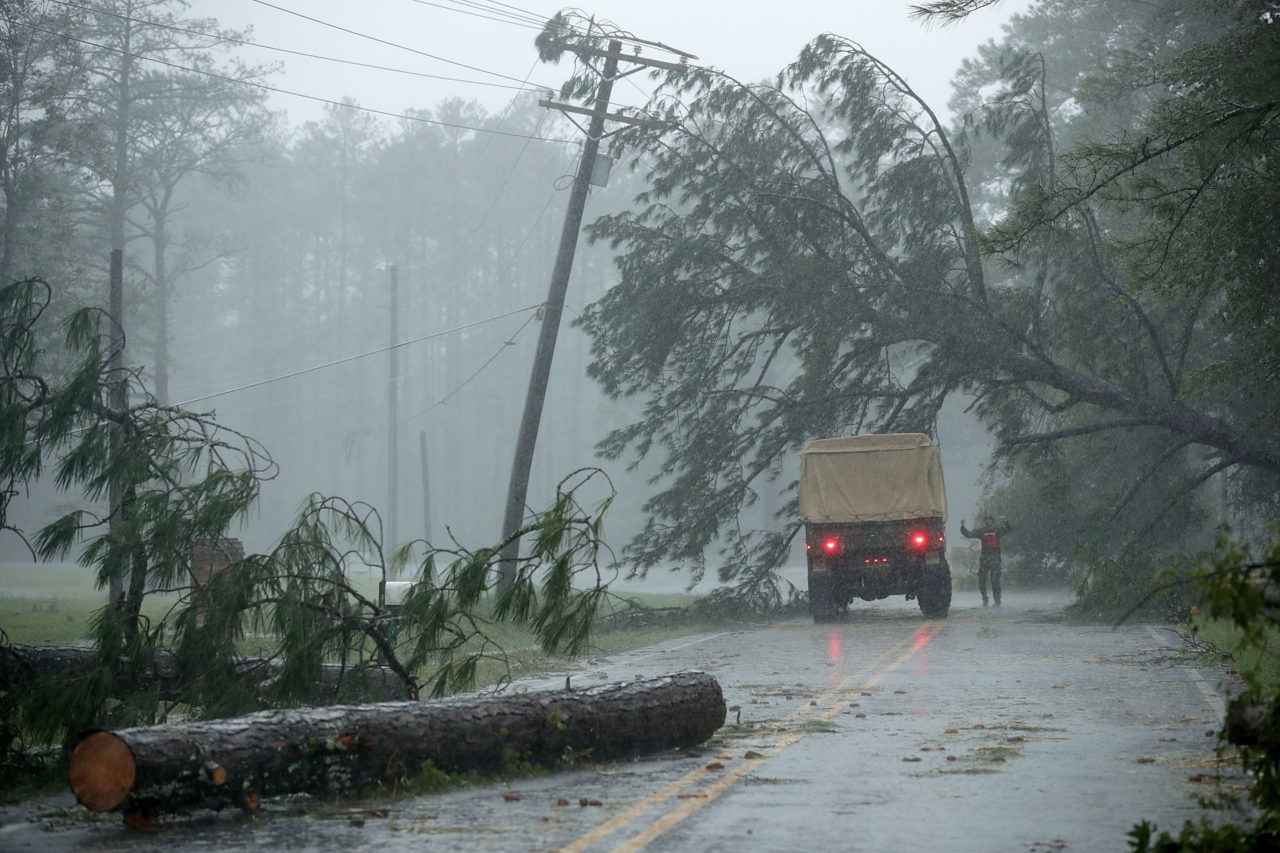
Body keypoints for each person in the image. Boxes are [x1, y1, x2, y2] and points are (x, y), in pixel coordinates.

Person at [960, 515, 1011, 607]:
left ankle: (997, 601)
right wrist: (962, 527)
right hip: (985, 558)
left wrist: (1005, 521)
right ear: (985, 522)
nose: (989, 522)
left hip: (995, 557)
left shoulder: (997, 531)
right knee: (981, 580)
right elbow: (969, 534)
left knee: (995, 580)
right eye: (987, 521)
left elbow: (1008, 529)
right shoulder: (981, 531)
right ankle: (985, 598)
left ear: (993, 522)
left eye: (990, 520)